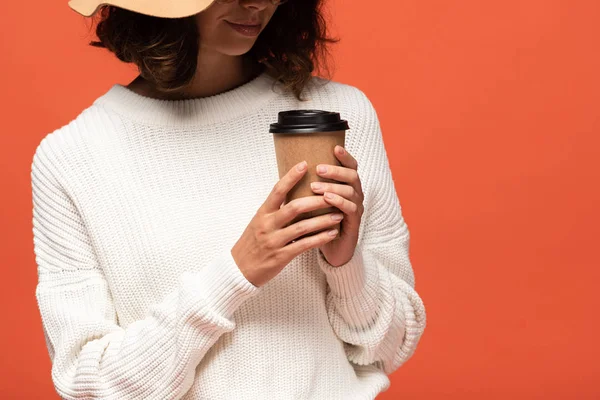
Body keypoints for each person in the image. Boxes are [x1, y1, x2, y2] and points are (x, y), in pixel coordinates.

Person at [30, 0, 427, 399]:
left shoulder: (335, 118)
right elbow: (92, 386)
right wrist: (236, 273)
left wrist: (346, 265)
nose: (257, 3)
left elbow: (392, 346)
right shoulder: (73, 157)